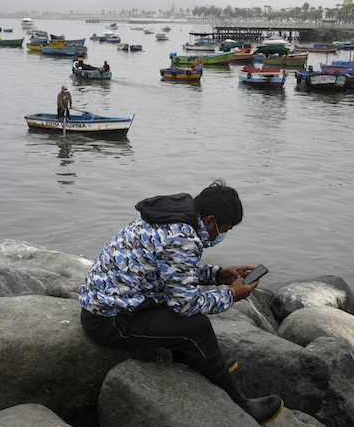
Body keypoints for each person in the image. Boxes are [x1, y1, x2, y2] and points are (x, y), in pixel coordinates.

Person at [79, 180, 283, 424]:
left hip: (110, 304)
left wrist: (217, 275)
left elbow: (171, 271)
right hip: (111, 321)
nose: (223, 235)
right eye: (224, 229)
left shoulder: (169, 217)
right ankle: (241, 403)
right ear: (209, 221)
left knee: (176, 304)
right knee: (197, 326)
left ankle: (198, 361)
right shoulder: (182, 238)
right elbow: (185, 304)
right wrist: (231, 295)